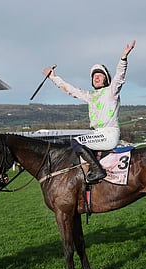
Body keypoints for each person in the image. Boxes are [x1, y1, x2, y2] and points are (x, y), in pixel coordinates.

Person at [42, 40, 136, 183]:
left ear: (106, 79)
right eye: (94, 76)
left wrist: (123, 57)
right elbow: (71, 90)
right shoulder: (90, 96)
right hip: (97, 134)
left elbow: (119, 76)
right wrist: (53, 77)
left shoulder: (112, 91)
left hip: (109, 134)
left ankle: (97, 171)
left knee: (76, 142)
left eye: (100, 75)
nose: (96, 77)